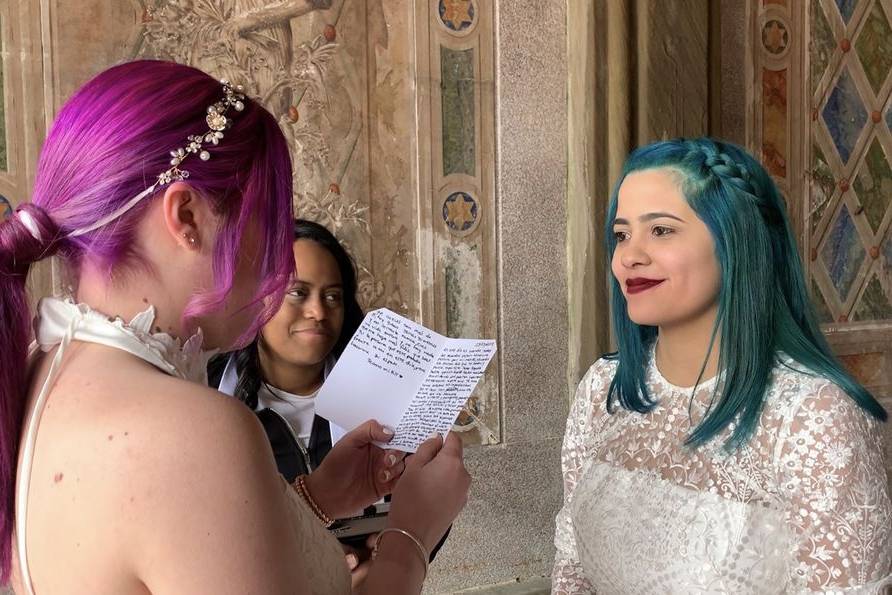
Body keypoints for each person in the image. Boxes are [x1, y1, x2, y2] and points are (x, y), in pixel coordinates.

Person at [0, 59, 469, 595]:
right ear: (188, 217)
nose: (280, 267)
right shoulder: (192, 431)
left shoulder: (39, 370)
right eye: (265, 222)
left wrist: (315, 498)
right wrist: (413, 532)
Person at [552, 137, 891, 593]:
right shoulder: (602, 390)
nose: (629, 255)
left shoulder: (814, 418)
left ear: (734, 241)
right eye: (621, 234)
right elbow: (572, 569)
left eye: (661, 230)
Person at [207, 218, 451, 586]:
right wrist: (318, 563)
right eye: (297, 293)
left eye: (333, 296)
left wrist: (384, 558)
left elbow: (426, 506)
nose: (319, 312)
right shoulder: (207, 398)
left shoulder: (389, 389)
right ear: (257, 296)